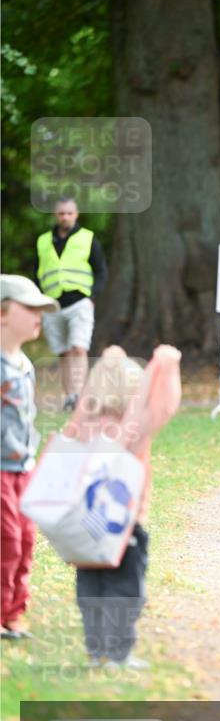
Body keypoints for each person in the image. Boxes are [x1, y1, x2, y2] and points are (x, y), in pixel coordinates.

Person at [66, 344, 181, 669]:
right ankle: (118, 651)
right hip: (124, 524)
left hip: (87, 524)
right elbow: (164, 406)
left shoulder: (83, 426)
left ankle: (96, 650)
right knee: (125, 588)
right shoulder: (133, 428)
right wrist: (166, 364)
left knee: (91, 587)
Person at [1, 274, 59, 640]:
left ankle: (14, 611)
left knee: (25, 539)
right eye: (31, 307)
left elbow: (25, 418)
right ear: (2, 313)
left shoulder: (24, 364)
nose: (39, 315)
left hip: (24, 467)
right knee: (4, 539)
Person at [36, 197, 108, 411]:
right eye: (61, 213)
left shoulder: (87, 238)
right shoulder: (43, 241)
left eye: (69, 213)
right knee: (63, 351)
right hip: (52, 304)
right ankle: (69, 397)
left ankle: (78, 394)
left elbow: (101, 271)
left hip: (79, 302)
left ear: (76, 214)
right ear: (55, 215)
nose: (65, 217)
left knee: (79, 347)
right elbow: (37, 273)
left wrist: (92, 296)